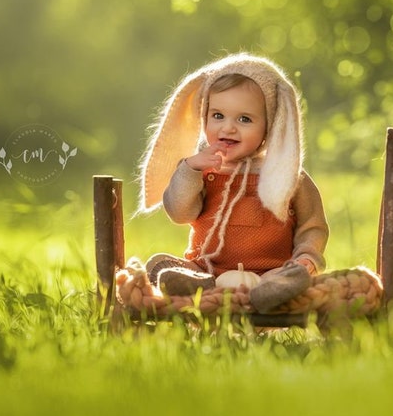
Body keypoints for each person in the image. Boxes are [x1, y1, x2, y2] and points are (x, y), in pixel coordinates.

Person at [138, 53, 329, 313]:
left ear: (270, 125)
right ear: (204, 116)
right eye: (218, 115)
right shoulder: (202, 170)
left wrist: (307, 257)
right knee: (158, 264)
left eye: (244, 119)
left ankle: (271, 293)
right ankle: (197, 286)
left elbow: (313, 226)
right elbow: (179, 213)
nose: (228, 128)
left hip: (268, 273)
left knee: (290, 275)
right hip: (206, 270)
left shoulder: (288, 176)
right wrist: (191, 169)